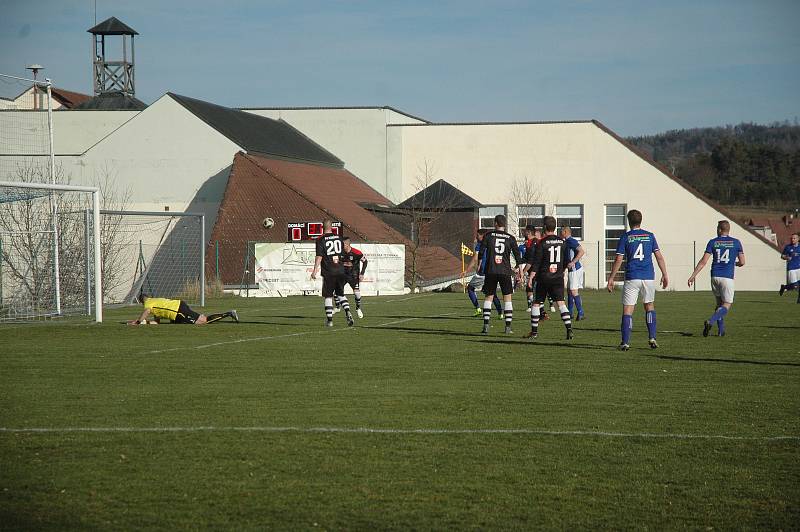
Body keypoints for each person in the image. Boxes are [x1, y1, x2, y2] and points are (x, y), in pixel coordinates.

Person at [606, 209, 669, 351]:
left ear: (628, 221)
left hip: (632, 277)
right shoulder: (650, 236)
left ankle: (625, 342)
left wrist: (611, 278)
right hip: (648, 276)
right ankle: (652, 337)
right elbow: (659, 257)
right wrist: (665, 274)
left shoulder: (626, 237)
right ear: (641, 220)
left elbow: (619, 259)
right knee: (649, 306)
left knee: (628, 310)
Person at [687, 220, 745, 337]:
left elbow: (703, 261)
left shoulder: (713, 242)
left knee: (719, 304)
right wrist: (735, 264)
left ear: (719, 229)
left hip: (714, 276)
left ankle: (721, 331)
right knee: (726, 305)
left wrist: (693, 276)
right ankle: (711, 321)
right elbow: (743, 262)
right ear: (728, 230)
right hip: (727, 277)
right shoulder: (736, 242)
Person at [526, 216, 574, 340]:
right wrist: (561, 272)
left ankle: (534, 332)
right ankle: (569, 330)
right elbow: (566, 262)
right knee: (561, 304)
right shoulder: (563, 242)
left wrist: (531, 277)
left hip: (543, 277)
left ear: (544, 227)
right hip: (557, 278)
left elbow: (536, 263)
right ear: (555, 227)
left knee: (536, 304)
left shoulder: (541, 242)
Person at [477, 214, 522, 334]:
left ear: (496, 223)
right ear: (505, 224)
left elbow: (481, 252)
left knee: (489, 297)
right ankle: (508, 327)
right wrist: (520, 270)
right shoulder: (510, 238)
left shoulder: (488, 236)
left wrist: (479, 264)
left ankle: (486, 325)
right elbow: (518, 255)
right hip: (505, 271)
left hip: (491, 270)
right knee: (507, 298)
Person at [311, 220, 354, 327]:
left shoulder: (320, 240)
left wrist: (315, 270)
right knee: (340, 294)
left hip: (329, 271)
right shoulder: (339, 238)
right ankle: (348, 311)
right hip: (340, 270)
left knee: (328, 296)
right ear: (332, 227)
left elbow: (319, 256)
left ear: (322, 227)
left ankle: (330, 321)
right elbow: (345, 252)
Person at [464, 228, 504, 318]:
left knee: (470, 288)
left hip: (483, 273)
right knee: (492, 293)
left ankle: (478, 309)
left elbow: (475, 258)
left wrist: (466, 270)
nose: (476, 237)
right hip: (493, 272)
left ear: (482, 236)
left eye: (477, 235)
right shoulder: (493, 244)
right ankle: (500, 313)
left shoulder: (480, 244)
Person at [127, 296, 238, 325]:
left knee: (203, 321)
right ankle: (228, 313)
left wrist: (137, 322)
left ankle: (229, 313)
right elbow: (156, 322)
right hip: (178, 307)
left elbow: (146, 311)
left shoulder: (148, 303)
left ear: (142, 301)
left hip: (178, 311)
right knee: (176, 322)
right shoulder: (155, 302)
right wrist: (143, 322)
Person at [560, 225, 586, 320]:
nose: (560, 233)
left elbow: (581, 251)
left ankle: (581, 312)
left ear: (565, 232)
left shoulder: (571, 241)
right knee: (569, 291)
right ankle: (570, 313)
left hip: (575, 269)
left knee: (573, 291)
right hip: (572, 270)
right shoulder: (566, 242)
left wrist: (573, 262)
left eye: (561, 231)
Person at [338, 237, 368, 318]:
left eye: (343, 244)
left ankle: (358, 308)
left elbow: (365, 262)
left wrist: (362, 273)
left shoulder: (356, 252)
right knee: (337, 291)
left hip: (353, 276)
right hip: (343, 275)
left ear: (347, 244)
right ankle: (337, 307)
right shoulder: (339, 252)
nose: (341, 245)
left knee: (357, 293)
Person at [778, 232, 800, 303]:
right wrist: (787, 257)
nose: (792, 239)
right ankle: (784, 287)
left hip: (799, 268)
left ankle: (799, 300)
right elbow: (782, 256)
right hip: (791, 268)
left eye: (794, 238)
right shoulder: (788, 247)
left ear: (798, 239)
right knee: (795, 286)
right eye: (791, 238)